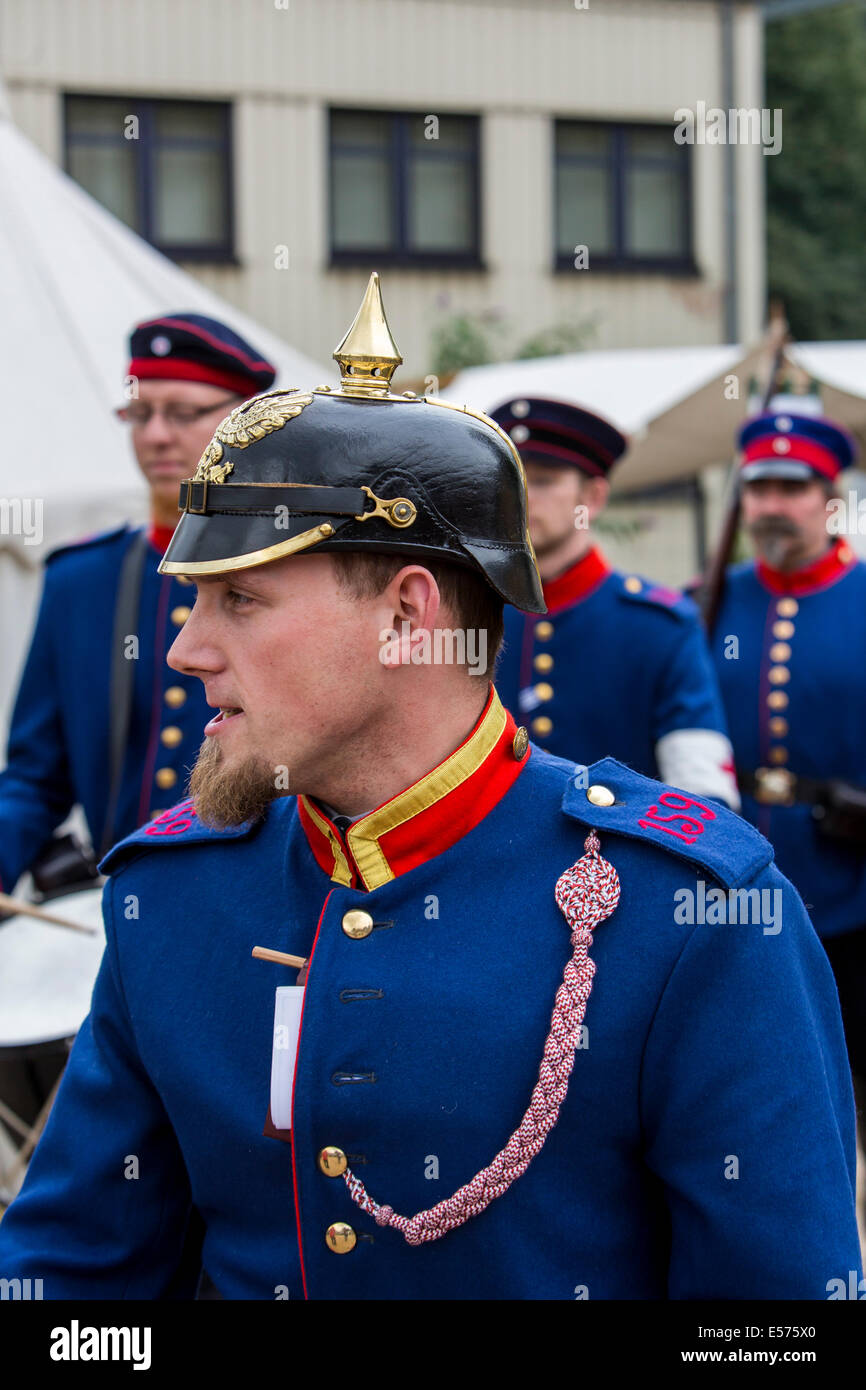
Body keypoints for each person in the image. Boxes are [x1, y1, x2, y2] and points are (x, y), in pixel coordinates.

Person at [0, 276, 859, 1300]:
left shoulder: (692, 916)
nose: (185, 650)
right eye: (192, 600)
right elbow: (69, 1279)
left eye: (240, 599)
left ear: (408, 616)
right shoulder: (173, 895)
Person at [0, 313, 276, 893]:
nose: (155, 436)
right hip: (122, 904)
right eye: (139, 413)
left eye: (183, 413)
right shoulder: (78, 581)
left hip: (264, 904)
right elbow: (35, 779)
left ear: (248, 422)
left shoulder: (292, 578)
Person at [709, 411, 866, 1097]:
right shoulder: (708, 602)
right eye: (758, 488)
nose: (771, 505)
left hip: (853, 887)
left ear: (831, 501)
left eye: (791, 488)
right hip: (731, 880)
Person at [490, 398, 739, 808]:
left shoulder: (660, 625)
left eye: (544, 481)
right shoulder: (471, 612)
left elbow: (703, 800)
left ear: (593, 497)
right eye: (511, 480)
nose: (523, 497)